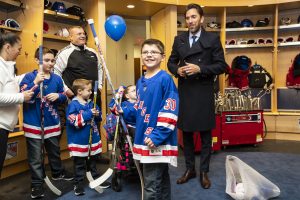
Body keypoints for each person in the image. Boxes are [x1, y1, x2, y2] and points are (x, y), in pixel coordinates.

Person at [167, 3, 227, 189]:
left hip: (203, 90)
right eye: (187, 17)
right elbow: (170, 62)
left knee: (205, 134)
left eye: (193, 17)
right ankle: (190, 169)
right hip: (185, 90)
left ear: (201, 19)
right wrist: (178, 71)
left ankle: (204, 172)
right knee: (186, 133)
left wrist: (200, 68)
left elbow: (221, 66)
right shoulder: (179, 39)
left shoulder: (213, 39)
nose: (190, 20)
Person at [20, 47, 73, 199]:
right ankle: (37, 183)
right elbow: (25, 97)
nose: (51, 63)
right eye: (47, 60)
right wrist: (36, 83)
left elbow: (65, 96)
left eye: (53, 60)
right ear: (37, 61)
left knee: (54, 151)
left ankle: (57, 172)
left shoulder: (56, 78)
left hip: (52, 123)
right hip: (34, 123)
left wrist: (59, 96)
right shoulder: (28, 77)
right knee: (36, 156)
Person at [132, 39, 179, 200]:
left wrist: (157, 135)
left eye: (153, 52)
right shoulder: (140, 81)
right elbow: (141, 109)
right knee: (161, 179)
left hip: (155, 139)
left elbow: (170, 110)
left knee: (151, 184)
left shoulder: (165, 79)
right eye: (145, 52)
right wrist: (122, 110)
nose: (149, 55)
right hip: (144, 137)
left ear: (163, 57)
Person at [0, 32, 34, 178]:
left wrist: (31, 76)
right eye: (18, 49)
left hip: (5, 126)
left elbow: (11, 82)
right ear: (8, 47)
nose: (20, 52)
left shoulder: (7, 67)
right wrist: (22, 97)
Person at [66, 79, 102, 196]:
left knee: (93, 161)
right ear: (79, 91)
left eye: (92, 90)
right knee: (79, 164)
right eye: (89, 90)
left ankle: (96, 178)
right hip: (79, 140)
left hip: (91, 139)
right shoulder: (73, 105)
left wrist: (97, 114)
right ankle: (78, 183)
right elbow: (74, 121)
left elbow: (98, 119)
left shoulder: (91, 103)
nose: (91, 92)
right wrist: (89, 114)